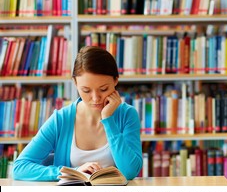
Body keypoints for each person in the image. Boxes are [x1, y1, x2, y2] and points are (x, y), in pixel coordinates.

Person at [13, 46, 143, 181]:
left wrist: (108, 120)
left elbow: (129, 171)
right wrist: (72, 172)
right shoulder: (61, 119)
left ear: (115, 80)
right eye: (86, 90)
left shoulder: (127, 115)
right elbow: (19, 168)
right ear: (75, 82)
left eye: (103, 89)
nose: (95, 98)